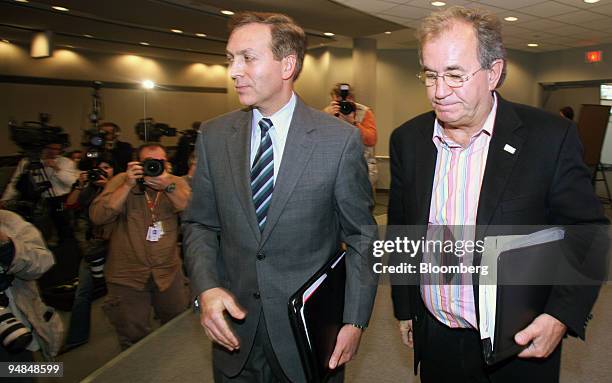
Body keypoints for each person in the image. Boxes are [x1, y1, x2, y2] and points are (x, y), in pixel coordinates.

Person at [388, 6, 607, 383]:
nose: (439, 92)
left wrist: (558, 315)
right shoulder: (408, 140)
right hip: (436, 335)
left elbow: (587, 233)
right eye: (430, 74)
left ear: (493, 73)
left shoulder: (548, 138)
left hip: (516, 345)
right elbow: (403, 227)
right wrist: (405, 307)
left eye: (455, 75)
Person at [182, 11, 377, 383]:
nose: (234, 70)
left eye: (247, 58)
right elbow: (199, 223)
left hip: (309, 334)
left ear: (287, 65)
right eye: (230, 59)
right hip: (234, 333)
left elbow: (361, 237)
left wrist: (354, 320)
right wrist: (206, 288)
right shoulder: (214, 135)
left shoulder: (338, 141)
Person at [89, 143, 191, 349]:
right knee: (133, 335)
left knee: (177, 326)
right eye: (148, 163)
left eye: (160, 162)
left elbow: (192, 210)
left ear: (167, 164)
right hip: (127, 275)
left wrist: (167, 186)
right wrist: (127, 185)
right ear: (136, 163)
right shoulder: (121, 180)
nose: (154, 166)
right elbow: (98, 216)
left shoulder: (174, 182)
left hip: (168, 272)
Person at [62, 154, 115, 351]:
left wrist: (109, 185)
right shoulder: (87, 190)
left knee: (125, 292)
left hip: (118, 247)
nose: (102, 172)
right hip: (94, 247)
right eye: (99, 168)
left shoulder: (121, 187)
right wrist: (79, 185)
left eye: (107, 167)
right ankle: (76, 337)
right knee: (82, 292)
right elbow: (70, 205)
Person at [0, 209, 64, 363]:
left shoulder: (7, 221)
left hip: (15, 332)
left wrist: (8, 248)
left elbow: (44, 262)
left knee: (21, 373)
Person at [1, 140, 78, 242]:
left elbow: (71, 182)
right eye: (50, 148)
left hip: (59, 200)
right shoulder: (27, 162)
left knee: (64, 230)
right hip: (36, 201)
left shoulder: (66, 162)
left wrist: (56, 168)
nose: (53, 152)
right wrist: (5, 199)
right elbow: (15, 183)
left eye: (57, 149)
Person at [324, 83, 378, 188]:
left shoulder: (364, 112)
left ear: (351, 99)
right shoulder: (329, 112)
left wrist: (353, 122)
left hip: (362, 166)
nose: (341, 105)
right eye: (337, 101)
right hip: (334, 166)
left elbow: (371, 140)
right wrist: (324, 117)